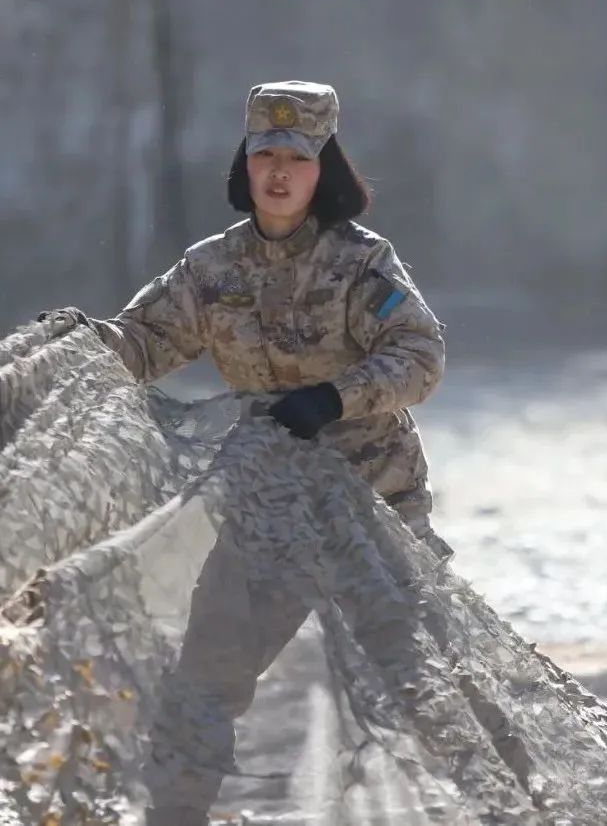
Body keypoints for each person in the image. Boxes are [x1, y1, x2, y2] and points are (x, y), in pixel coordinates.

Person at [39, 80, 449, 825]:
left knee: (423, 693)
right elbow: (142, 344)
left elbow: (420, 356)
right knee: (204, 681)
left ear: (325, 167)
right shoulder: (211, 269)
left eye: (299, 155)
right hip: (269, 509)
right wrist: (77, 343)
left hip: (374, 512)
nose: (281, 172)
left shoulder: (362, 265)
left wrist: (333, 399)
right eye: (267, 155)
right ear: (246, 163)